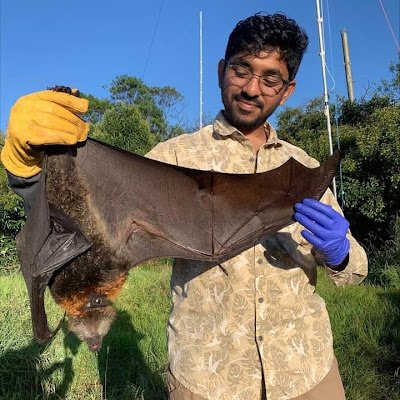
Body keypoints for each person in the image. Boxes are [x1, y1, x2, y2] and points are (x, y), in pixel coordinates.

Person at [1, 12, 368, 400]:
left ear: (287, 90)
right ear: (222, 69)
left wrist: (341, 253)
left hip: (306, 369)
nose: (251, 88)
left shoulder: (304, 172)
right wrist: (27, 169)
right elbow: (90, 211)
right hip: (209, 376)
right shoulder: (173, 157)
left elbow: (355, 271)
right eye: (242, 70)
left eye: (269, 78)